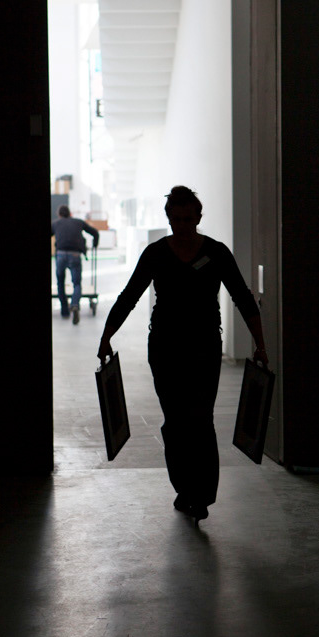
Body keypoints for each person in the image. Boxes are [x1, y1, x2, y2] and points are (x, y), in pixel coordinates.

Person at [97, 185, 268, 522]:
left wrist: (260, 344)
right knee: (176, 422)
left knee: (201, 419)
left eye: (188, 219)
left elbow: (243, 298)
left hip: (204, 348)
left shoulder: (217, 253)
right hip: (165, 349)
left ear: (198, 218)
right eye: (176, 220)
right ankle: (184, 488)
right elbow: (129, 296)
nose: (182, 227)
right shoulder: (156, 253)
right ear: (169, 219)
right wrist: (106, 336)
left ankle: (201, 495)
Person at [51, 205, 99, 323]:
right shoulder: (78, 222)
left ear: (59, 215)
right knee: (77, 283)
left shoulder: (56, 223)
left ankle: (64, 311)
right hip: (75, 255)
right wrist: (95, 244)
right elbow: (95, 233)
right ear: (70, 213)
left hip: (61, 255)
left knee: (60, 283)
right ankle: (75, 304)